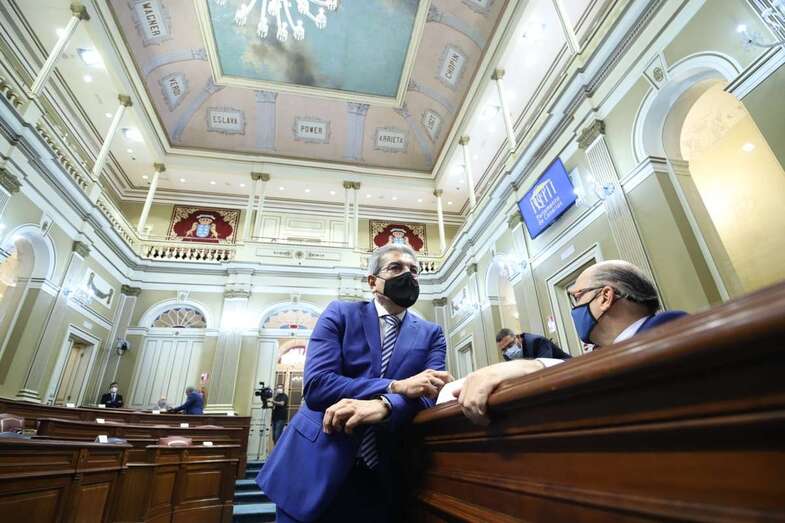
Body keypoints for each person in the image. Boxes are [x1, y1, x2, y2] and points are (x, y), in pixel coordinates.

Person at [258, 244, 451, 523]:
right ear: (373, 282)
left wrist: (384, 406)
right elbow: (318, 386)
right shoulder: (340, 314)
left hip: (384, 473)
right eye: (396, 268)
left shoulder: (432, 333)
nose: (407, 275)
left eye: (414, 271)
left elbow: (430, 393)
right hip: (315, 462)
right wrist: (394, 387)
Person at [455, 260, 687, 425]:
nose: (574, 310)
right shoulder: (601, 354)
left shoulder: (671, 328)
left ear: (605, 297)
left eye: (577, 297)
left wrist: (532, 366)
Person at [496, 328, 571, 364]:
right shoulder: (506, 355)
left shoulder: (537, 341)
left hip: (568, 368)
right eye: (504, 349)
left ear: (518, 338)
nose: (508, 351)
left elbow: (543, 366)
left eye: (510, 345)